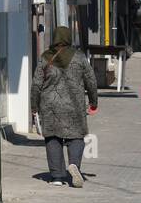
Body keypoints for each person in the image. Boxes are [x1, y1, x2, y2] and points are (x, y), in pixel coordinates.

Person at [30, 26, 98, 187]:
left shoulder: (45, 58)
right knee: (76, 136)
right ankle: (74, 164)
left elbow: (36, 85)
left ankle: (57, 177)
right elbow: (91, 80)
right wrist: (94, 102)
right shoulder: (79, 57)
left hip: (49, 105)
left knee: (53, 138)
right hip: (74, 105)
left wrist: (34, 105)